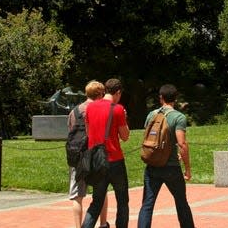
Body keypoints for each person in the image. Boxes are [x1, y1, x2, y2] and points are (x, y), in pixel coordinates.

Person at [137, 84, 195, 228]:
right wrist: (187, 168)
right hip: (172, 168)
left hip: (152, 166)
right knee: (181, 202)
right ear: (175, 98)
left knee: (147, 204)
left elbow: (150, 139)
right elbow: (181, 143)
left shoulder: (152, 115)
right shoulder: (179, 117)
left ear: (161, 98)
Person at [81, 78, 130, 228]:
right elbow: (125, 136)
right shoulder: (118, 109)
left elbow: (89, 133)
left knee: (96, 202)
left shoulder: (89, 108)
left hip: (97, 161)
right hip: (115, 160)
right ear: (118, 92)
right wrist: (125, 119)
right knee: (122, 201)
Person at [69, 80, 110, 228]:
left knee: (77, 196)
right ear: (100, 94)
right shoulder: (101, 109)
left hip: (78, 157)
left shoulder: (74, 111)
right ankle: (103, 223)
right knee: (101, 192)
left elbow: (70, 131)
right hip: (96, 155)